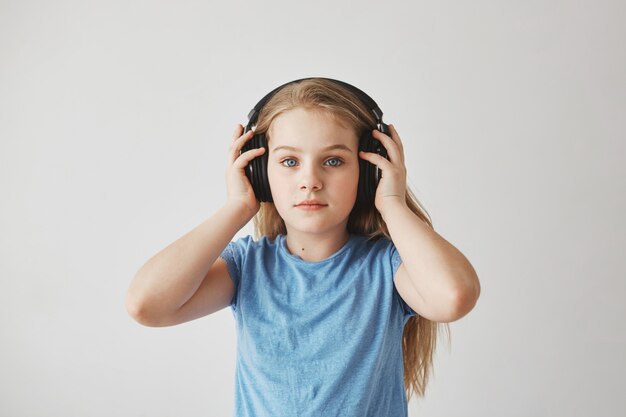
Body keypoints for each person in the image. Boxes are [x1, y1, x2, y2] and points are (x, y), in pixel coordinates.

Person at [125, 77, 481, 416]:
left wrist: (391, 201)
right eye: (290, 162)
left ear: (369, 169)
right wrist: (237, 208)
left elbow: (453, 297)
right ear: (260, 173)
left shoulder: (386, 268)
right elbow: (147, 305)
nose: (310, 181)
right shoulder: (247, 267)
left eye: (333, 161)